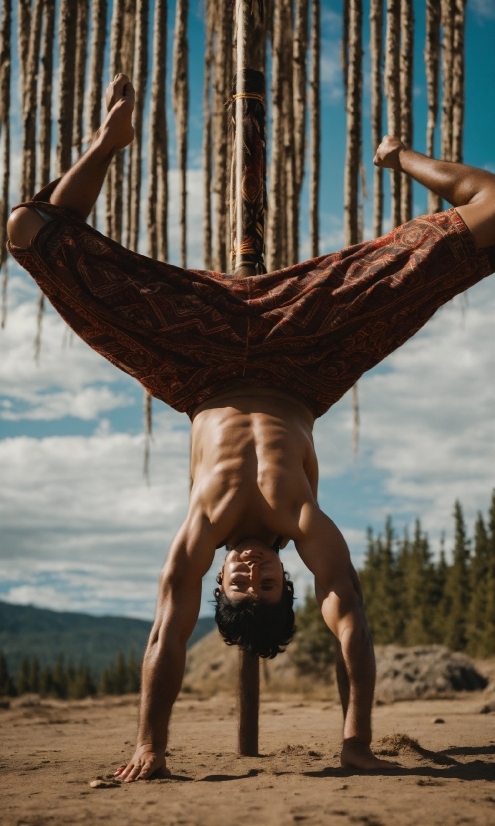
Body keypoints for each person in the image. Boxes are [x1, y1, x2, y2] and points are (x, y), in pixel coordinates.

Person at [7, 75, 495, 781]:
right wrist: (355, 741)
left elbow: (165, 635)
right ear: (286, 583)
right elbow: (350, 622)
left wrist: (151, 746)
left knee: (29, 232)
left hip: (191, 359)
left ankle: (107, 145)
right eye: (267, 587)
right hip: (309, 351)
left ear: (220, 587)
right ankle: (397, 156)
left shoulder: (202, 525)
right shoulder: (301, 518)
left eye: (240, 589)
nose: (251, 575)